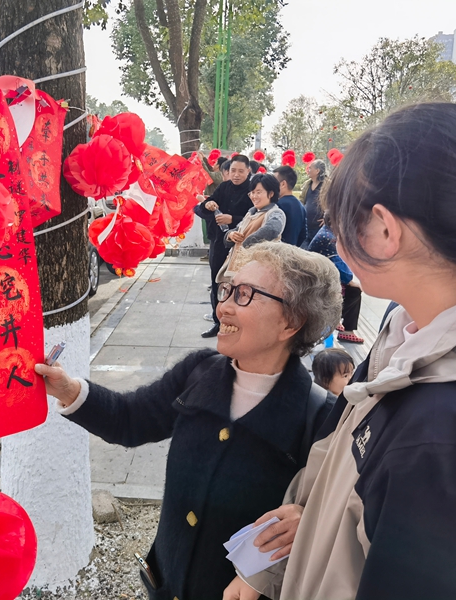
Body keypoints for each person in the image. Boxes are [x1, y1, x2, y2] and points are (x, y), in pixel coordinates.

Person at [224, 102, 456, 600]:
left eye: (340, 220)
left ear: (382, 230)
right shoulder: (413, 332)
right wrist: (316, 517)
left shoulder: (450, 433)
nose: (333, 235)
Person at [36, 242, 342, 600]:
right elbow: (130, 420)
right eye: (226, 289)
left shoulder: (321, 417)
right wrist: (69, 390)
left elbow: (342, 514)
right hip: (167, 583)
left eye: (244, 295)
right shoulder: (197, 371)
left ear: (291, 322)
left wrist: (311, 521)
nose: (222, 306)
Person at [196, 155, 253, 337]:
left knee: (240, 284)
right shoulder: (224, 187)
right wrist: (209, 203)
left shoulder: (253, 190)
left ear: (248, 171)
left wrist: (232, 219)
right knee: (217, 282)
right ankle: (217, 322)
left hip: (241, 246)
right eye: (233, 171)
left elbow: (256, 216)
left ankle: (240, 324)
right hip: (219, 243)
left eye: (240, 171)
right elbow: (205, 206)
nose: (236, 175)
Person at [217, 174, 286, 283]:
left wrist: (246, 245)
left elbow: (272, 229)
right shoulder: (250, 213)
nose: (254, 196)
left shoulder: (275, 213)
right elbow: (237, 229)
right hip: (239, 268)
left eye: (259, 192)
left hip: (258, 271)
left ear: (271, 194)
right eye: (252, 192)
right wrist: (230, 235)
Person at [308, 212, 363, 344]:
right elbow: (339, 264)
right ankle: (344, 328)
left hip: (319, 277)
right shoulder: (329, 238)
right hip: (318, 281)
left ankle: (337, 319)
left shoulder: (327, 233)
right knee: (354, 291)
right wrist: (350, 281)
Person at [273, 165, 307, 247]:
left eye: (273, 182)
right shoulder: (301, 206)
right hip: (293, 251)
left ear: (283, 184)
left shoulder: (279, 206)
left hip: (279, 252)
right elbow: (303, 235)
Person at [300, 158, 326, 244]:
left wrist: (329, 218)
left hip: (319, 228)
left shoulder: (327, 185)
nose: (308, 170)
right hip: (306, 226)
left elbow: (336, 203)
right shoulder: (307, 184)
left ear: (317, 170)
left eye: (310, 168)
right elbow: (302, 200)